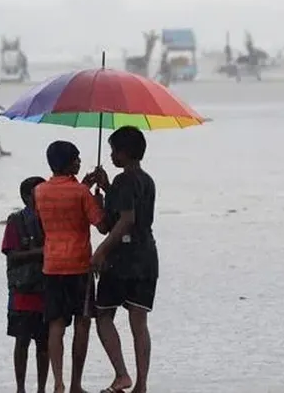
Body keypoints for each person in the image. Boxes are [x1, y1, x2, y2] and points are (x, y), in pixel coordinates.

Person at [34, 141, 109, 393]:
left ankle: (58, 383)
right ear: (67, 162)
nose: (79, 162)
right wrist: (98, 200)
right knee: (82, 323)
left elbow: (50, 216)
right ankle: (76, 383)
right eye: (76, 158)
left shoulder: (40, 191)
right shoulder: (81, 193)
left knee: (55, 325)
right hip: (79, 265)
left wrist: (83, 187)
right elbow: (102, 226)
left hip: (52, 265)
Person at [88, 127, 158, 393]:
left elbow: (125, 221)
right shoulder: (147, 180)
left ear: (124, 152)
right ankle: (141, 384)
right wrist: (105, 192)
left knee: (103, 314)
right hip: (147, 256)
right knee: (139, 322)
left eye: (113, 151)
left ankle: (121, 374)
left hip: (122, 259)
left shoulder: (123, 180)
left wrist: (101, 251)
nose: (111, 156)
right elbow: (120, 216)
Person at [2, 176, 50, 393]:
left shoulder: (51, 218)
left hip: (46, 289)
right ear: (26, 197)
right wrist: (40, 252)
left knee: (44, 343)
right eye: (37, 192)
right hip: (22, 292)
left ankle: (41, 388)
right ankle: (20, 388)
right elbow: (11, 256)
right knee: (21, 341)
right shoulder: (16, 221)